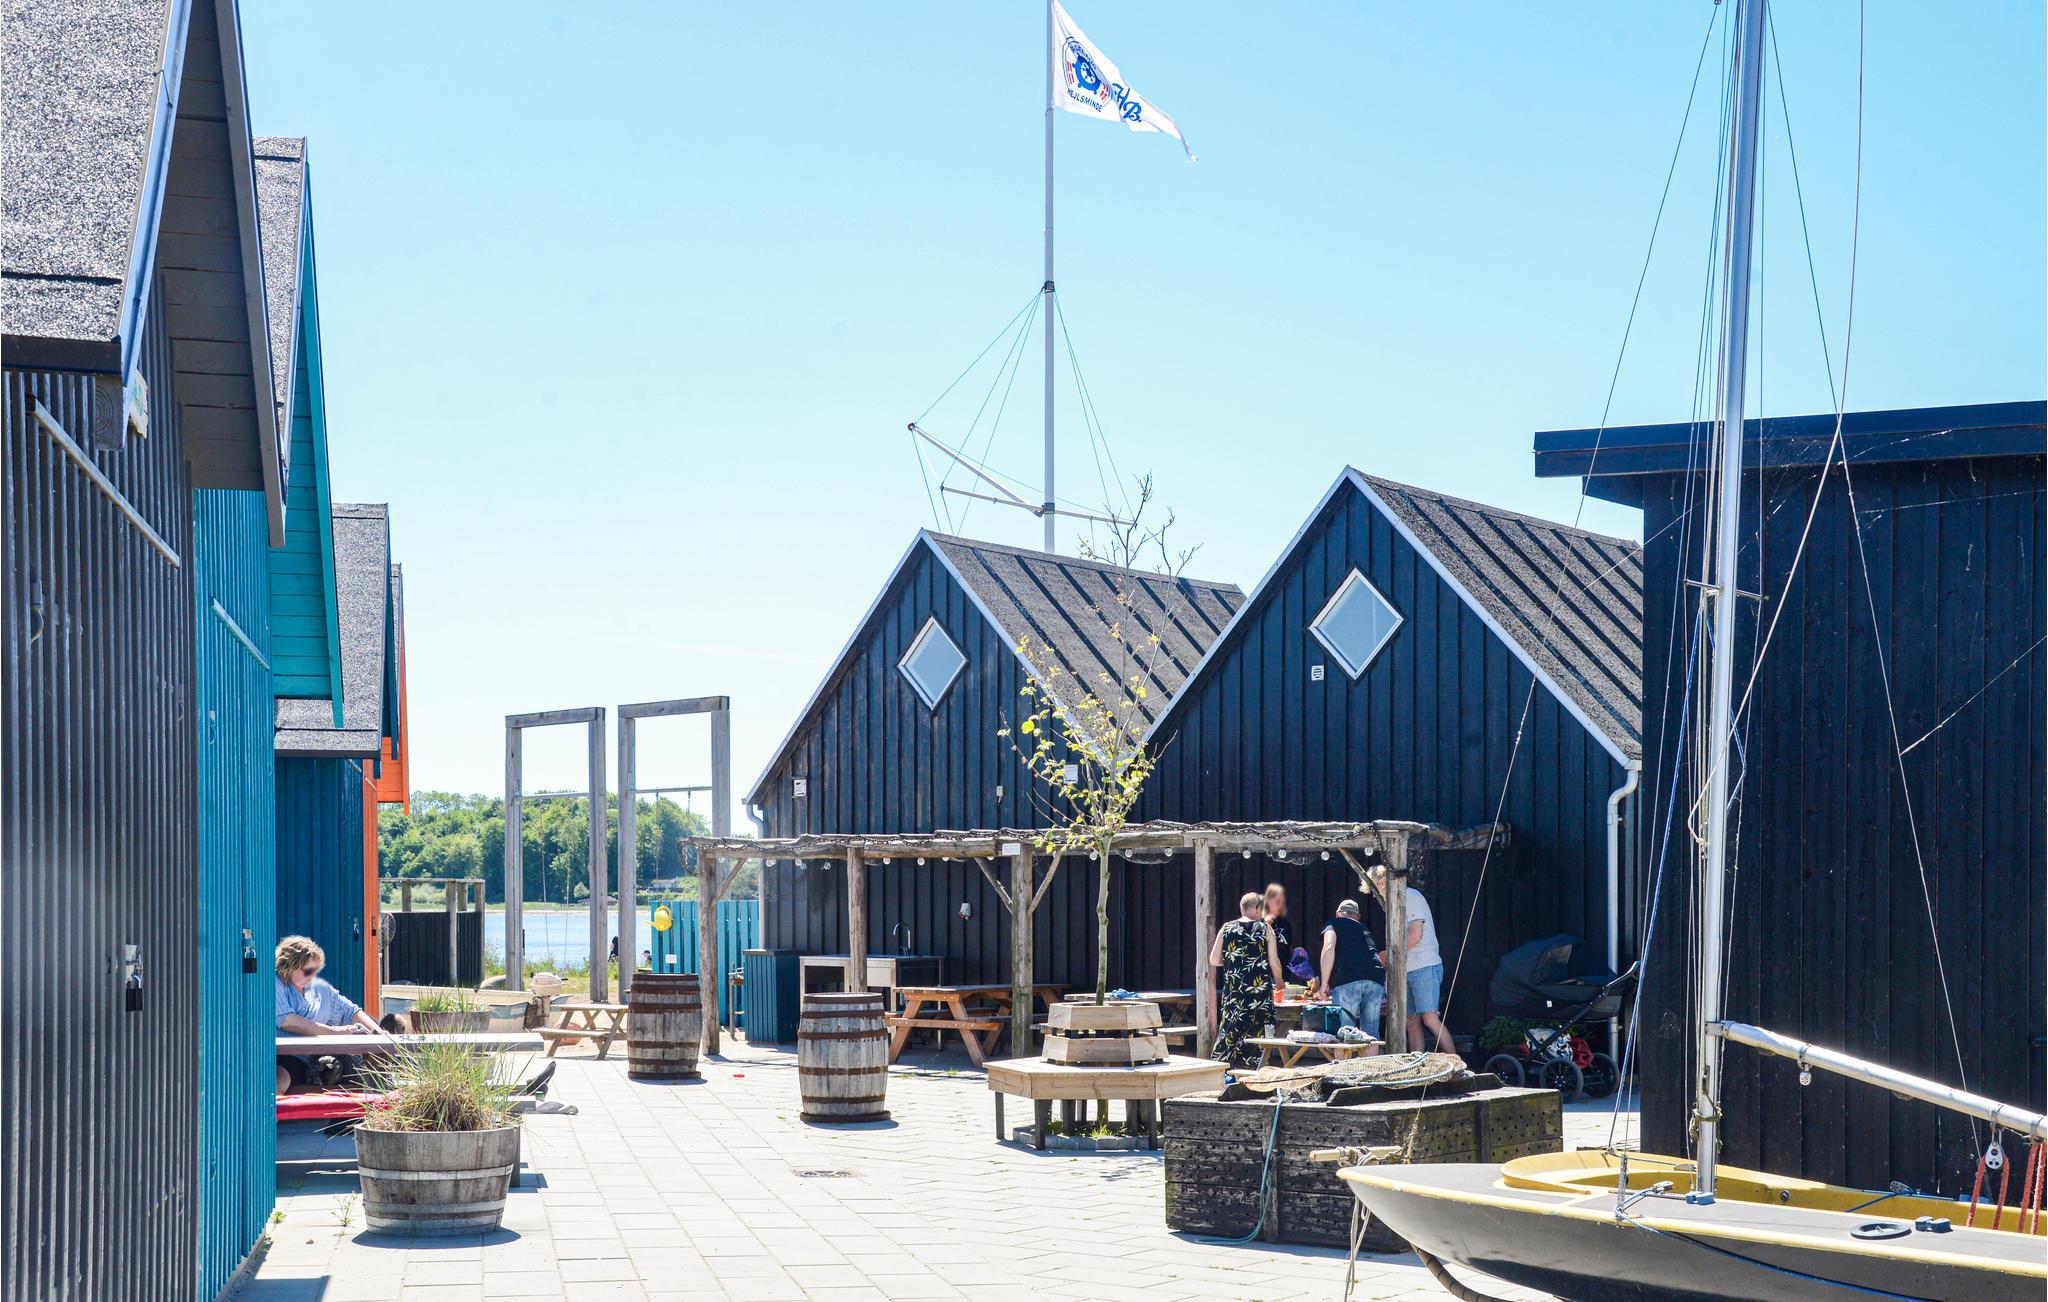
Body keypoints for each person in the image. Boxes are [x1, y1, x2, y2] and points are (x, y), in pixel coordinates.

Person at [274, 935, 391, 1093]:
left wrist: (377, 1032)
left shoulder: (320, 989)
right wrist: (337, 1031)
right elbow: (287, 1021)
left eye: (315, 970)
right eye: (307, 970)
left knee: (359, 1077)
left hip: (316, 1057)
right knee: (278, 1082)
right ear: (291, 966)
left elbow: (350, 1011)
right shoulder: (275, 983)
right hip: (283, 1056)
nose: (312, 975)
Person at [1367, 867, 1455, 1053]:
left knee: (1430, 1019)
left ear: (1386, 881)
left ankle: (1457, 1062)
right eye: (1375, 888)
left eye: (1380, 885)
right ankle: (1416, 1065)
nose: (1378, 892)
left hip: (1424, 965)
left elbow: (1415, 936)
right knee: (1411, 1022)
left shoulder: (1410, 896)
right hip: (1406, 969)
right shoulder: (1394, 904)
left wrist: (1389, 953)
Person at [1207, 891, 1279, 1070]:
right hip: (1259, 995)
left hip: (1234, 993)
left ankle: (1219, 1069)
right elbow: (1274, 962)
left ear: (1242, 909)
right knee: (1260, 1033)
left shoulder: (1227, 928)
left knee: (1229, 1031)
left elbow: (1214, 960)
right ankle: (1257, 1070)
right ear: (1257, 909)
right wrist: (1280, 982)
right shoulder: (1266, 929)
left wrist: (1233, 961)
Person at [1316, 899, 1385, 1047]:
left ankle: (1342, 1063)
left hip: (1349, 978)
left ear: (1338, 914)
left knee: (1344, 1034)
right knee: (1371, 1035)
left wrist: (1324, 983)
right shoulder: (1364, 930)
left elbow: (1328, 947)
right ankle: (1373, 1062)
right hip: (1376, 979)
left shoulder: (1333, 923)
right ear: (1358, 916)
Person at [1262, 882, 1294, 996]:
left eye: (1282, 902)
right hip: (1264, 976)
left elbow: (1286, 946)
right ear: (1267, 901)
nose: (1280, 906)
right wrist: (1264, 923)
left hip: (1282, 975)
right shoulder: (1258, 923)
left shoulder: (1285, 924)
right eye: (1277, 902)